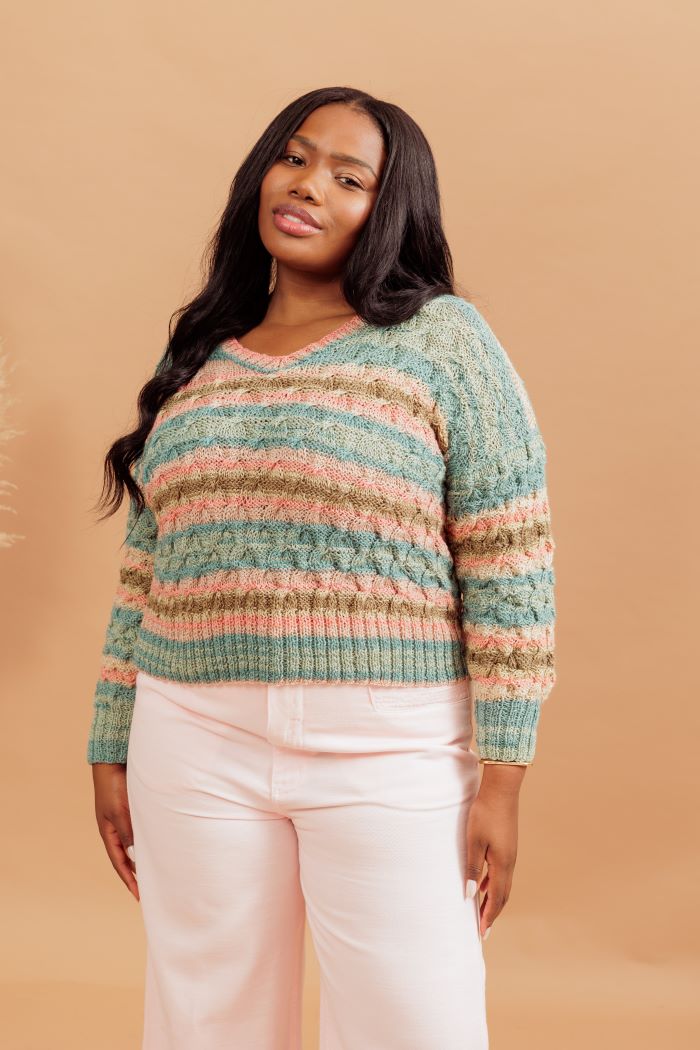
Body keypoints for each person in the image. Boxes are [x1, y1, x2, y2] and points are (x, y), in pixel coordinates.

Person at [87, 86, 557, 1050]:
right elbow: (149, 565)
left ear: (390, 210)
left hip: (390, 743)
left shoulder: (444, 343)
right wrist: (111, 737)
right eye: (294, 158)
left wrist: (503, 775)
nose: (307, 186)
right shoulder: (201, 353)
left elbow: (510, 560)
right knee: (203, 1019)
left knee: (412, 1023)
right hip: (190, 733)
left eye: (350, 178)